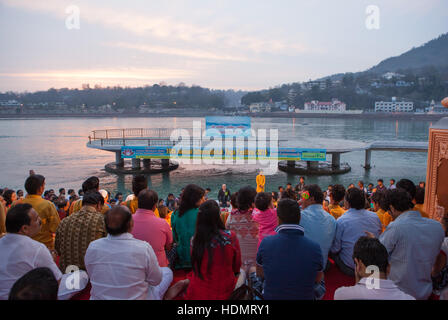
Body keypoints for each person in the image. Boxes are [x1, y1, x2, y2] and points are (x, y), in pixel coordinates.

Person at [0, 204, 87, 300]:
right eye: (36, 219)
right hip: (31, 295)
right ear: (24, 228)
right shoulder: (36, 248)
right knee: (81, 275)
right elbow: (56, 281)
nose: (40, 221)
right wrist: (51, 261)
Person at [85, 206, 173, 300]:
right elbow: (156, 280)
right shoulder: (143, 248)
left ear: (105, 226)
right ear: (131, 224)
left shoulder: (93, 246)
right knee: (167, 272)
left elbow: (91, 273)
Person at [375, 189, 444, 300]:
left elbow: (376, 254)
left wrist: (374, 241)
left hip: (398, 293)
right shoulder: (437, 227)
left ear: (392, 208)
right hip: (425, 291)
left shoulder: (396, 227)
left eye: (389, 211)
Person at [256, 198, 323, 300]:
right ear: (299, 217)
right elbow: (318, 279)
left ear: (278, 219)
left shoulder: (266, 243)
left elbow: (260, 273)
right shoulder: (315, 247)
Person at [183, 200, 242, 300]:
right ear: (218, 216)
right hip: (224, 289)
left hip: (199, 291)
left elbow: (195, 264)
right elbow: (236, 266)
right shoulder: (230, 236)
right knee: (243, 273)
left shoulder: (194, 240)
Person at [334, 237, 415, 300]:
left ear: (358, 265)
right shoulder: (409, 298)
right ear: (388, 268)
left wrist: (358, 283)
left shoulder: (342, 295)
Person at [330, 188, 382, 277]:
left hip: (351, 268)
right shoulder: (375, 216)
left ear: (347, 202)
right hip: (372, 266)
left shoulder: (342, 220)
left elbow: (336, 249)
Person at [54, 191, 106, 272]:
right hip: (92, 272)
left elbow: (58, 249)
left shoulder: (64, 221)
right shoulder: (102, 220)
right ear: (99, 204)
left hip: (67, 272)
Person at [132, 189, 173, 268]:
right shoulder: (163, 223)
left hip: (134, 267)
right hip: (159, 268)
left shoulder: (127, 221)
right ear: (155, 206)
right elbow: (169, 247)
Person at [18, 174, 60, 250]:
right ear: (40, 188)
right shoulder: (48, 205)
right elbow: (56, 228)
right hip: (43, 246)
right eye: (43, 185)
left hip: (21, 247)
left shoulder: (16, 204)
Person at [171, 184, 205, 269]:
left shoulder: (175, 214)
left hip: (182, 258)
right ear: (195, 200)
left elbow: (175, 238)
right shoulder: (202, 213)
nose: (204, 200)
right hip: (199, 258)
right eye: (202, 198)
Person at [226, 186, 259, 269]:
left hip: (239, 265)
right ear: (254, 201)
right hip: (258, 264)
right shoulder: (260, 216)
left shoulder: (231, 217)